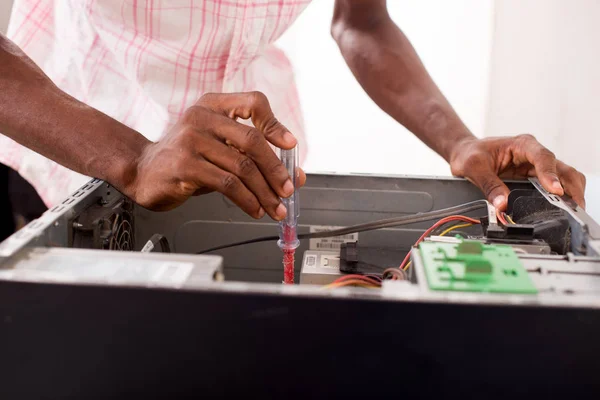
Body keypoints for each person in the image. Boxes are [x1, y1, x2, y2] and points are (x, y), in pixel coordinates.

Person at [0, 0, 586, 225]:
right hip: (59, 138)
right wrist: (134, 156)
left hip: (240, 157)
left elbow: (363, 21)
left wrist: (458, 141)